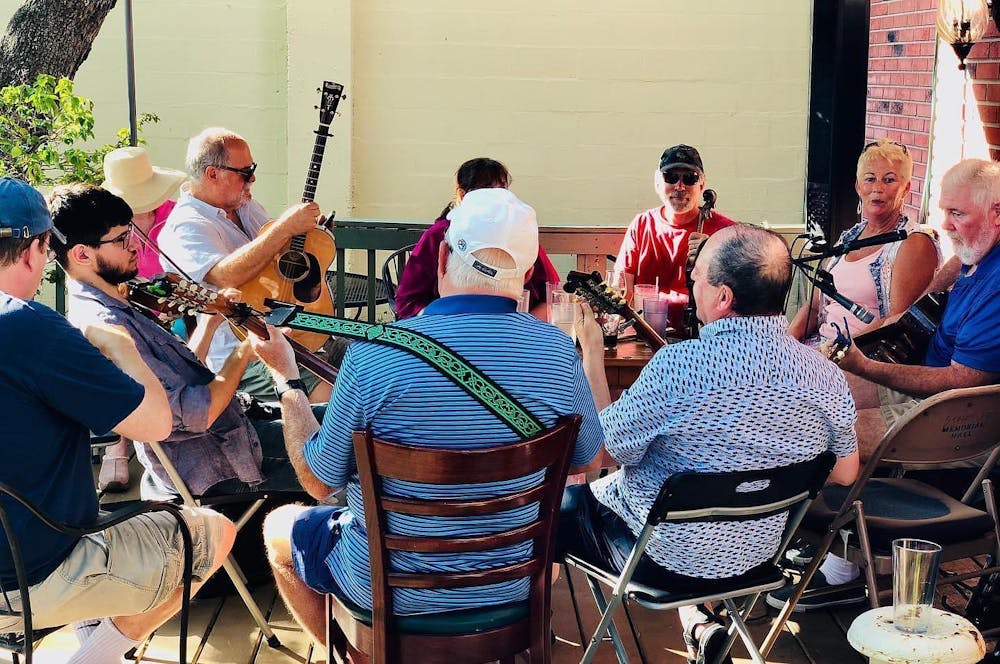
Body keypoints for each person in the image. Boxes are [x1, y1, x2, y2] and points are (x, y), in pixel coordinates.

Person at [250, 188, 605, 645]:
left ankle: (358, 656)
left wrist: (288, 381)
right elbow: (588, 459)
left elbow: (319, 482)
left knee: (279, 527)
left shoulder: (373, 354)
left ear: (441, 260)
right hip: (514, 580)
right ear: (530, 273)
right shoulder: (557, 352)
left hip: (388, 588)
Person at [567, 224, 859, 663]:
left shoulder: (679, 368)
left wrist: (590, 353)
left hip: (663, 560)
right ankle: (701, 625)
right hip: (757, 557)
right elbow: (844, 471)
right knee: (687, 500)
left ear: (723, 297)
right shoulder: (825, 376)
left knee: (554, 508)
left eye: (697, 277)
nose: (693, 285)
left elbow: (596, 452)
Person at [0, 177, 235, 664]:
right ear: (35, 251)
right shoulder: (29, 326)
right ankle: (90, 660)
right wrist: (120, 347)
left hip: (28, 550)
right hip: (28, 574)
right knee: (213, 533)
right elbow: (157, 424)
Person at [767, 158, 1000, 611]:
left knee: (820, 435)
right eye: (942, 210)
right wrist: (941, 279)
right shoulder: (977, 252)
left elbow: (961, 380)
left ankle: (837, 562)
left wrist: (863, 364)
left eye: (958, 215)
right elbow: (946, 276)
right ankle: (835, 554)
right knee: (805, 400)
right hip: (927, 393)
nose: (945, 225)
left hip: (953, 414)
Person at [50, 183, 320, 499]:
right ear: (82, 254)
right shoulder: (107, 327)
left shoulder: (119, 299)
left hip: (238, 426)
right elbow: (198, 413)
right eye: (122, 239)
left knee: (357, 419)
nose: (135, 246)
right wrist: (244, 351)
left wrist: (209, 321)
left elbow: (176, 383)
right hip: (223, 463)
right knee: (353, 451)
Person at [156, 127, 331, 402]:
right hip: (239, 353)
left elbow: (275, 258)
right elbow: (225, 276)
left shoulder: (246, 206)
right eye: (245, 172)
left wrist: (307, 239)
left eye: (253, 169)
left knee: (370, 364)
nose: (253, 178)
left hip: (288, 333)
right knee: (329, 395)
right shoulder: (186, 226)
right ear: (212, 174)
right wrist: (283, 228)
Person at [95, 145, 187, 492]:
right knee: (120, 350)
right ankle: (118, 447)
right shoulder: (111, 229)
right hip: (132, 311)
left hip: (176, 311)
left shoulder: (174, 215)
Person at [789, 138, 939, 342]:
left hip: (862, 359)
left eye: (889, 180)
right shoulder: (848, 238)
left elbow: (898, 321)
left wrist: (836, 353)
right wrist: (784, 347)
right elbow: (814, 308)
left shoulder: (913, 243)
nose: (878, 188)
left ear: (906, 188)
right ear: (858, 187)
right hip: (819, 351)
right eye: (870, 179)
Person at [393, 157, 560, 319]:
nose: (495, 199)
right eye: (486, 192)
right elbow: (407, 301)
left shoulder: (516, 234)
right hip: (447, 334)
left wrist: (523, 328)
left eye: (501, 191)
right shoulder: (438, 235)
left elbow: (553, 294)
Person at [614, 144, 738, 330]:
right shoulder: (641, 225)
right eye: (671, 177)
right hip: (647, 333)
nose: (680, 187)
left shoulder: (726, 231)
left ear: (702, 185)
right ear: (657, 183)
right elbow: (622, 289)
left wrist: (712, 253)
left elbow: (739, 296)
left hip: (704, 335)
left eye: (689, 179)